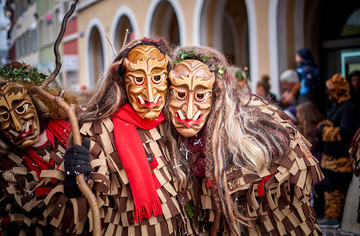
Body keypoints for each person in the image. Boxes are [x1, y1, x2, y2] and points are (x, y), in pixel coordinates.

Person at [165, 46, 323, 235]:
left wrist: (234, 181)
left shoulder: (251, 118)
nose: (189, 111)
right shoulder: (170, 134)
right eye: (180, 94)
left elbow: (293, 159)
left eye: (200, 96)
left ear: (217, 94)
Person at [45, 38, 193, 235]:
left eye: (157, 78)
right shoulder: (97, 131)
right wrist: (74, 187)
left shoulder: (171, 122)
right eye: (139, 80)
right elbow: (75, 220)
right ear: (122, 81)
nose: (150, 95)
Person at [0, 61, 75, 235]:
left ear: (37, 103)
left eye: (20, 108)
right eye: (4, 116)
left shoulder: (70, 128)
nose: (18, 126)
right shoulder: (6, 167)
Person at [317, 73, 358, 228]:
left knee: (336, 189)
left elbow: (345, 132)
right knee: (330, 188)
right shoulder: (339, 106)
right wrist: (324, 128)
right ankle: (331, 216)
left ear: (337, 91)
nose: (329, 94)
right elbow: (325, 124)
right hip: (332, 159)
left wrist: (324, 132)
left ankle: (335, 218)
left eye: (331, 91)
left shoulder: (348, 107)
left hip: (340, 160)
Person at [296, 101, 325, 218]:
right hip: (316, 161)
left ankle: (319, 212)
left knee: (317, 188)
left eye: (299, 113)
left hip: (316, 162)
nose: (297, 115)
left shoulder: (313, 130)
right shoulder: (314, 128)